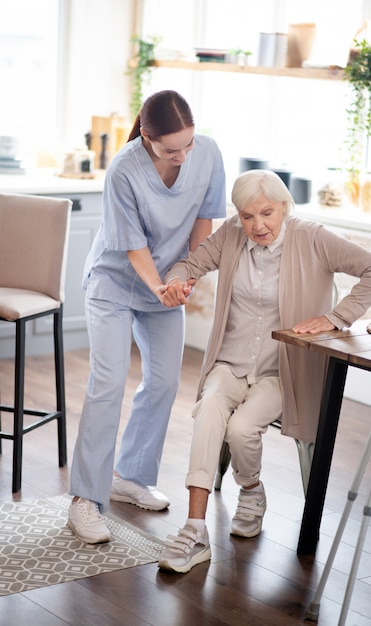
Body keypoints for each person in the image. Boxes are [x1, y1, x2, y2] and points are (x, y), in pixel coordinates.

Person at [154, 168, 371, 573]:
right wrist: (176, 283)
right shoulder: (232, 234)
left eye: (266, 213)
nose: (257, 225)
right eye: (247, 215)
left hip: (282, 371)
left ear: (284, 206)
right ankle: (195, 531)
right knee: (209, 408)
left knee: (242, 428)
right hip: (230, 363)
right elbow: (189, 265)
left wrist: (336, 317)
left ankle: (250, 492)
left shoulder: (312, 237)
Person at [67, 90, 226, 544]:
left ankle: (131, 476)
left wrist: (188, 274)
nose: (182, 157)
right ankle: (85, 500)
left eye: (188, 145)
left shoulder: (208, 152)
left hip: (167, 281)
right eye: (171, 149)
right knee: (109, 380)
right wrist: (158, 284)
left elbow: (203, 220)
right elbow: (132, 244)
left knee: (164, 381)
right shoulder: (123, 169)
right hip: (115, 283)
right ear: (147, 137)